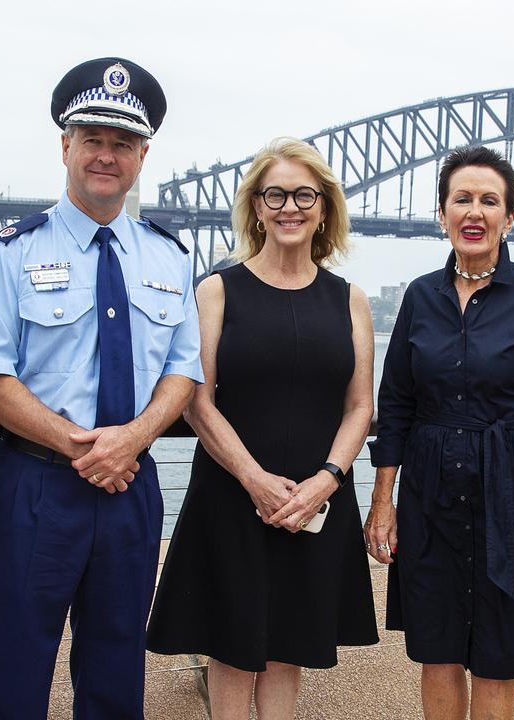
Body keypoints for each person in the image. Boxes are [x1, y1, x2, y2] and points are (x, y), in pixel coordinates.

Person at [0, 57, 201, 720]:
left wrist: (132, 441)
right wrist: (83, 446)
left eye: (122, 143)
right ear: (65, 145)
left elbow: (184, 369)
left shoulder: (168, 257)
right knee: (13, 670)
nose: (106, 155)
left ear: (143, 155)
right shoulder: (9, 252)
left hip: (130, 488)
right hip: (36, 487)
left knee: (116, 672)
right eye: (92, 139)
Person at [147, 137, 379, 719]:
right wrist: (254, 479)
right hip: (232, 493)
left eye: (305, 194)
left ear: (325, 208)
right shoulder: (218, 290)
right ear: (256, 206)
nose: (290, 207)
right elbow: (198, 403)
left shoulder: (350, 300)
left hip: (315, 497)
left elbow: (360, 406)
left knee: (289, 648)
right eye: (274, 194)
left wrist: (327, 480)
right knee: (232, 648)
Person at [364, 145, 514, 719]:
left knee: (497, 655)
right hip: (429, 493)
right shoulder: (418, 297)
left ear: (508, 219)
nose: (475, 212)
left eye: (490, 201)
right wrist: (383, 501)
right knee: (435, 650)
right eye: (462, 199)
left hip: (509, 493)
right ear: (442, 214)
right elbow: (397, 403)